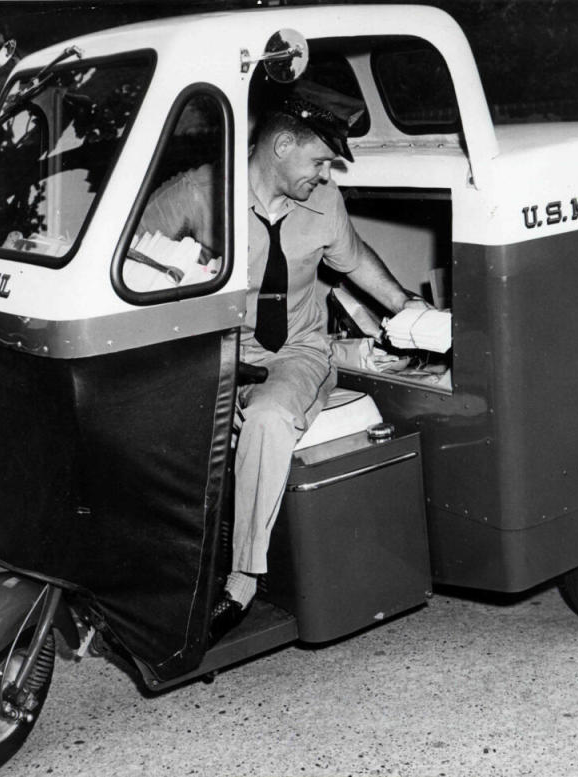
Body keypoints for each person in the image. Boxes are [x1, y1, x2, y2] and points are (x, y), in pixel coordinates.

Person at [136, 79, 428, 644]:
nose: (325, 174)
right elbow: (127, 258)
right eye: (320, 160)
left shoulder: (323, 202)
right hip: (214, 351)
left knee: (269, 419)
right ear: (281, 146)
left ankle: (241, 584)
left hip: (296, 351)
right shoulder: (200, 195)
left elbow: (353, 258)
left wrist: (406, 308)